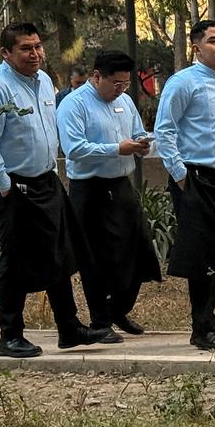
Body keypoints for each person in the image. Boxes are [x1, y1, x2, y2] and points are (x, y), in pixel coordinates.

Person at [0, 23, 119, 358]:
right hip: (12, 185)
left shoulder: (43, 82)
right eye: (25, 48)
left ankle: (69, 327)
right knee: (16, 257)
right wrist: (7, 187)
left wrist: (52, 171)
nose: (34, 54)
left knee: (60, 251)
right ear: (6, 53)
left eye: (38, 46)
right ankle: (10, 335)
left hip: (46, 180)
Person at [154, 19, 215, 351]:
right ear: (197, 47)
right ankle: (202, 325)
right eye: (213, 41)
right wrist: (181, 176)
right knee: (202, 255)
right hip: (195, 179)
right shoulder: (183, 83)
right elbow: (164, 131)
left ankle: (208, 320)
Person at [56, 50, 163, 337]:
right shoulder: (73, 105)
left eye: (125, 84)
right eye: (115, 84)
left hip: (120, 185)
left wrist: (144, 144)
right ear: (96, 76)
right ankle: (100, 320)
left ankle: (119, 308)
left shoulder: (125, 101)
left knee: (139, 250)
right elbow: (74, 149)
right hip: (89, 189)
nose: (120, 90)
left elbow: (139, 133)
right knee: (96, 257)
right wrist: (117, 148)